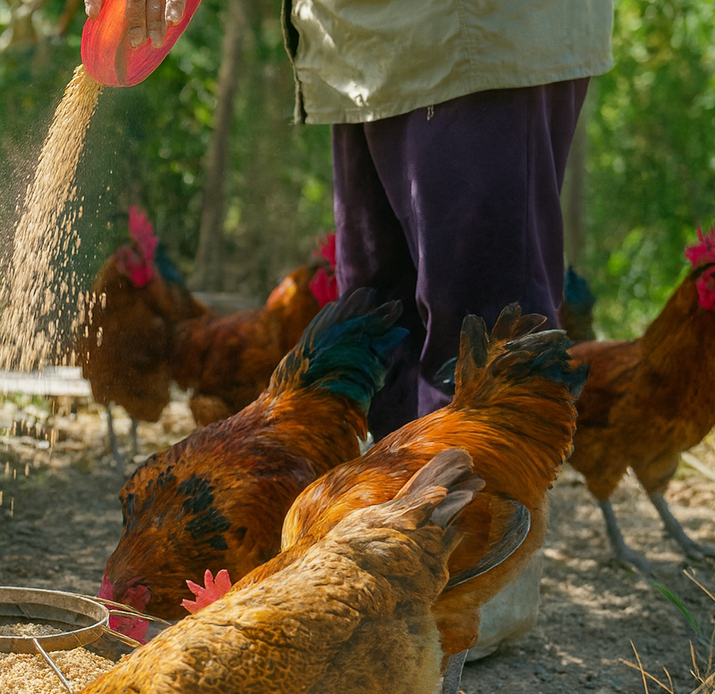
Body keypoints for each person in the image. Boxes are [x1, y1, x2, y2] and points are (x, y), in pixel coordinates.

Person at [89, 0, 613, 438]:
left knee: (480, 337)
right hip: (360, 45)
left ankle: (485, 551)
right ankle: (410, 544)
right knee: (377, 332)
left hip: (468, 31)